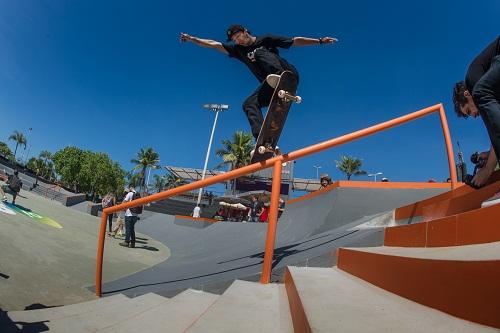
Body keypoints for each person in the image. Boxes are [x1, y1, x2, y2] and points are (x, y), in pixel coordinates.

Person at [180, 26, 337, 141]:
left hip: (287, 74)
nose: (238, 41)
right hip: (271, 85)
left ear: (246, 31)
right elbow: (213, 44)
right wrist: (193, 39)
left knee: (258, 52)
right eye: (235, 40)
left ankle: (278, 76)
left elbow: (295, 41)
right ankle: (263, 138)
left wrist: (319, 41)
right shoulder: (238, 51)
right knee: (248, 103)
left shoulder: (266, 39)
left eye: (239, 36)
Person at [452, 36, 500, 197]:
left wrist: (487, 170)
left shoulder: (473, 81)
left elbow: (495, 129)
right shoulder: (491, 82)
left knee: (481, 93)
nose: (474, 115)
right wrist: (489, 154)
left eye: (468, 111)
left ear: (467, 94)